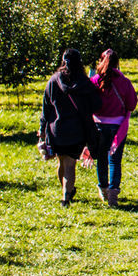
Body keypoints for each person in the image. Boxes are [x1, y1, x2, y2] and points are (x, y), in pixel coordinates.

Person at [39, 49, 102, 207]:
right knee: (70, 164)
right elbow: (96, 105)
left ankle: (66, 190)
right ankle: (66, 197)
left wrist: (42, 129)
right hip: (77, 130)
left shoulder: (53, 81)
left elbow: (46, 108)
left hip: (57, 129)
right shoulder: (84, 83)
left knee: (62, 162)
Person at [90, 48, 138, 208]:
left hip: (98, 125)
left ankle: (103, 189)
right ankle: (113, 192)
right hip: (117, 127)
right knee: (115, 161)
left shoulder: (95, 81)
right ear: (118, 63)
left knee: (101, 158)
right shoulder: (124, 82)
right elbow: (132, 104)